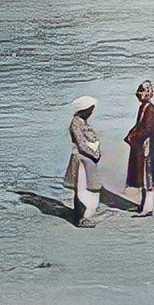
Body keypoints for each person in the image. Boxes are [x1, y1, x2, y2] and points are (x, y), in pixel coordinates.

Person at [65, 96, 103, 228]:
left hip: (87, 158)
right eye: (90, 110)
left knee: (86, 187)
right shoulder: (76, 123)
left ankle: (84, 214)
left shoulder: (82, 121)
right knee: (81, 188)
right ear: (84, 109)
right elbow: (81, 144)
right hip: (80, 159)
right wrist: (94, 154)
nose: (92, 112)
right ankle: (79, 218)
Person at [124, 82, 154, 218]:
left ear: (148, 93)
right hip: (140, 147)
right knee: (143, 177)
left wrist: (131, 137)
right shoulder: (143, 108)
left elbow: (146, 129)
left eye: (141, 91)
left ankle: (147, 208)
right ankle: (143, 205)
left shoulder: (150, 109)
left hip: (146, 148)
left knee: (147, 176)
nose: (138, 93)